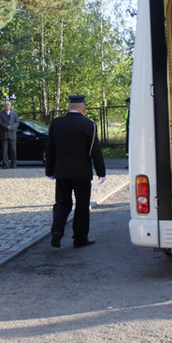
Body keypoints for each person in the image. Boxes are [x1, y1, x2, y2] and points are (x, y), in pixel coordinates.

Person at [45, 95, 106, 249]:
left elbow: (50, 149)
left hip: (62, 172)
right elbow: (95, 150)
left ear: (69, 107)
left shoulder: (56, 124)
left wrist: (49, 170)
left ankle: (57, 230)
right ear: (83, 108)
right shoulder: (89, 125)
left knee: (62, 203)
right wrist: (101, 171)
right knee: (82, 205)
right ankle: (79, 238)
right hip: (81, 173)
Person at [0, 100, 19, 169]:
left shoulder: (14, 114)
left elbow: (17, 123)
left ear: (10, 106)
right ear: (4, 106)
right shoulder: (0, 114)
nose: (7, 106)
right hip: (4, 134)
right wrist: (6, 126)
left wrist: (11, 127)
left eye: (8, 105)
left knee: (13, 150)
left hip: (12, 134)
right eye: (6, 105)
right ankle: (6, 164)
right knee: (4, 151)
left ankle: (13, 164)